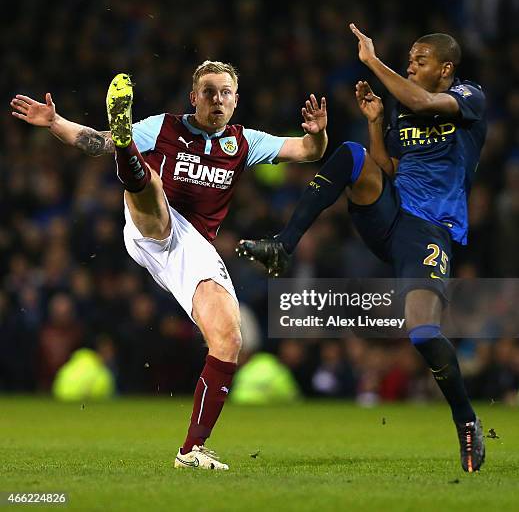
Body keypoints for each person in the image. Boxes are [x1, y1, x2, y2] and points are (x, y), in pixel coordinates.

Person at [10, 61, 328, 470]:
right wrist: (55, 122)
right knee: (153, 189)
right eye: (208, 92)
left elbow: (307, 151)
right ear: (193, 98)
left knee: (229, 338)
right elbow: (94, 141)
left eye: (225, 92)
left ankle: (191, 451)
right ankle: (130, 155)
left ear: (235, 100)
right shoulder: (163, 128)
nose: (217, 99)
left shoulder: (243, 142)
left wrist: (318, 134)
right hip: (152, 224)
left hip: (193, 249)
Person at [237, 25, 487, 472]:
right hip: (389, 216)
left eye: (421, 59)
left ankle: (466, 421)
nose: (411, 65)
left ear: (446, 68)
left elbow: (425, 102)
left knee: (424, 334)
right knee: (353, 153)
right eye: (409, 57)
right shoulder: (400, 108)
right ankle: (283, 244)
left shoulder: (468, 97)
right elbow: (390, 165)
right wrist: (375, 123)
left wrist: (373, 61)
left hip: (429, 231)